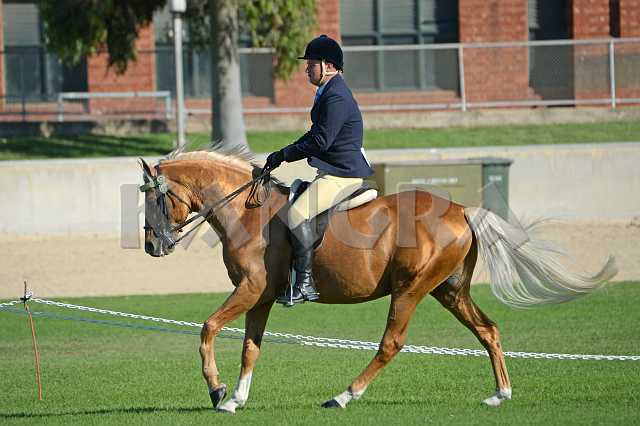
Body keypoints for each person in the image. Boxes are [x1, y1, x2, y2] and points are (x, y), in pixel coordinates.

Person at [263, 35, 374, 306]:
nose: (306, 69)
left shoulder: (336, 96)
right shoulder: (328, 91)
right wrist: (283, 153)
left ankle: (304, 284)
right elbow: (315, 133)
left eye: (311, 64)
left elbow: (320, 141)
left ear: (328, 66)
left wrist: (286, 155)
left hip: (342, 175)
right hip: (332, 171)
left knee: (297, 214)